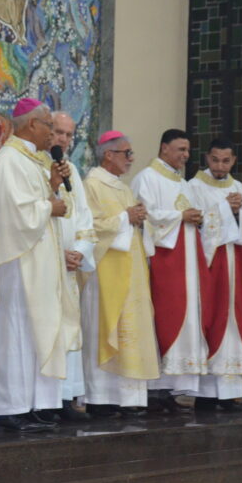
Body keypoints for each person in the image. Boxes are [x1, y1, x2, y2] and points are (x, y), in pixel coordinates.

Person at [0, 98, 77, 432]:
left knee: (34, 333)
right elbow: (14, 215)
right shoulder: (8, 160)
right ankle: (6, 408)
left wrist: (52, 188)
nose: (53, 134)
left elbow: (35, 204)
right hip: (14, 265)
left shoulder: (35, 161)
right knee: (15, 335)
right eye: (49, 126)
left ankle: (31, 405)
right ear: (31, 125)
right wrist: (49, 208)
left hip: (36, 264)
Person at [81, 131, 161, 414]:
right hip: (106, 273)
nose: (131, 159)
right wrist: (126, 218)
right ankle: (102, 399)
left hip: (132, 271)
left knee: (134, 330)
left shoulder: (122, 187)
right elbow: (90, 226)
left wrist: (139, 220)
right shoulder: (92, 184)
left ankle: (129, 399)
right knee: (104, 330)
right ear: (108, 155)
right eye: (127, 153)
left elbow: (134, 224)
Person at [130, 129, 208, 413]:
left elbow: (187, 214)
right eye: (180, 150)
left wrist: (196, 219)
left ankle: (170, 389)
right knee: (162, 320)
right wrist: (180, 216)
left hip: (185, 260)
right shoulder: (146, 178)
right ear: (164, 148)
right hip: (162, 260)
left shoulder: (183, 183)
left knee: (184, 318)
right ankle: (153, 389)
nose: (185, 156)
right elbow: (144, 217)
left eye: (187, 150)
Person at [188, 138, 242, 412]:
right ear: (207, 158)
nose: (220, 166)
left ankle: (230, 394)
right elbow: (194, 222)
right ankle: (206, 395)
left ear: (233, 161)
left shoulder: (237, 186)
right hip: (211, 262)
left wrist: (240, 211)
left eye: (226, 161)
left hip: (236, 261)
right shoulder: (194, 186)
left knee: (235, 320)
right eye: (215, 160)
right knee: (213, 319)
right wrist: (225, 210)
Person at [40, 111, 96, 422]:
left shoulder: (71, 170)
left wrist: (79, 252)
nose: (63, 139)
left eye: (68, 135)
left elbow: (85, 221)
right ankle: (45, 400)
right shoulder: (34, 165)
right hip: (43, 266)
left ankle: (65, 397)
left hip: (69, 266)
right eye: (58, 132)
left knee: (68, 330)